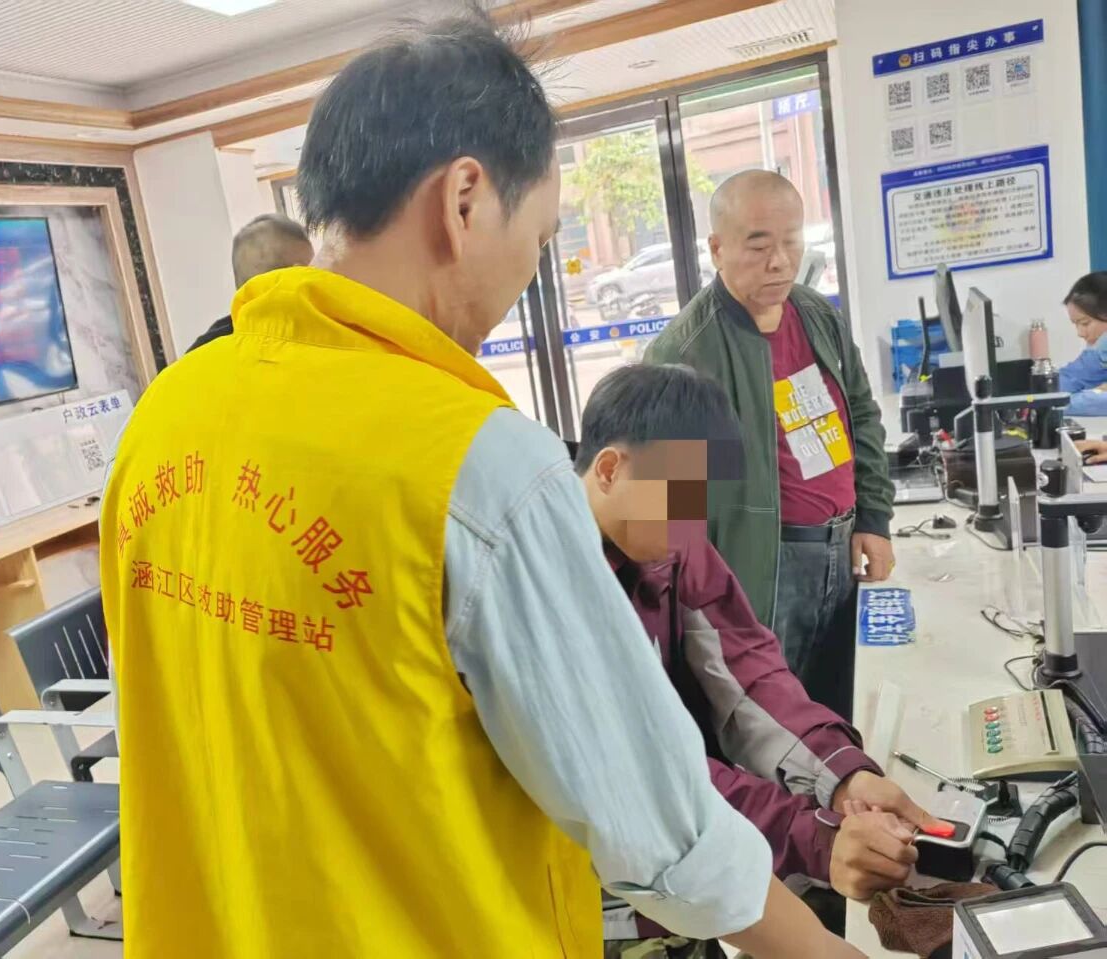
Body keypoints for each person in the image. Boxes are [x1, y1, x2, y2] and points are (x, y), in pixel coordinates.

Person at [101, 14, 860, 959]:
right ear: (464, 201)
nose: (528, 275)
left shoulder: (166, 415)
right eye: (540, 238)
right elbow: (660, 829)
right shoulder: (478, 467)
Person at [573, 364, 941, 957]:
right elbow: (636, 771)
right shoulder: (552, 588)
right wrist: (815, 840)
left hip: (686, 876)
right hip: (592, 900)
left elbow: (747, 671)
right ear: (611, 469)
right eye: (680, 493)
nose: (693, 520)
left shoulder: (667, 534)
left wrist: (843, 776)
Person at [644, 170, 894, 722]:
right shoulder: (685, 355)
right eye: (759, 246)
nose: (780, 262)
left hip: (841, 549)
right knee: (771, 725)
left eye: (791, 242)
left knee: (838, 707)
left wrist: (874, 517)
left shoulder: (816, 315)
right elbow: (673, 517)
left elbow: (860, 412)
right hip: (764, 569)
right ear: (717, 249)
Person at [187, 212, 314, 352]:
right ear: (294, 277)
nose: (319, 280)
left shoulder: (203, 352)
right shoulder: (309, 344)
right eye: (310, 272)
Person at [1058, 272, 1107, 416]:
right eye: (1076, 324)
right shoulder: (1100, 351)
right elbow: (1068, 379)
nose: (1080, 333)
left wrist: (1058, 404)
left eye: (1085, 323)